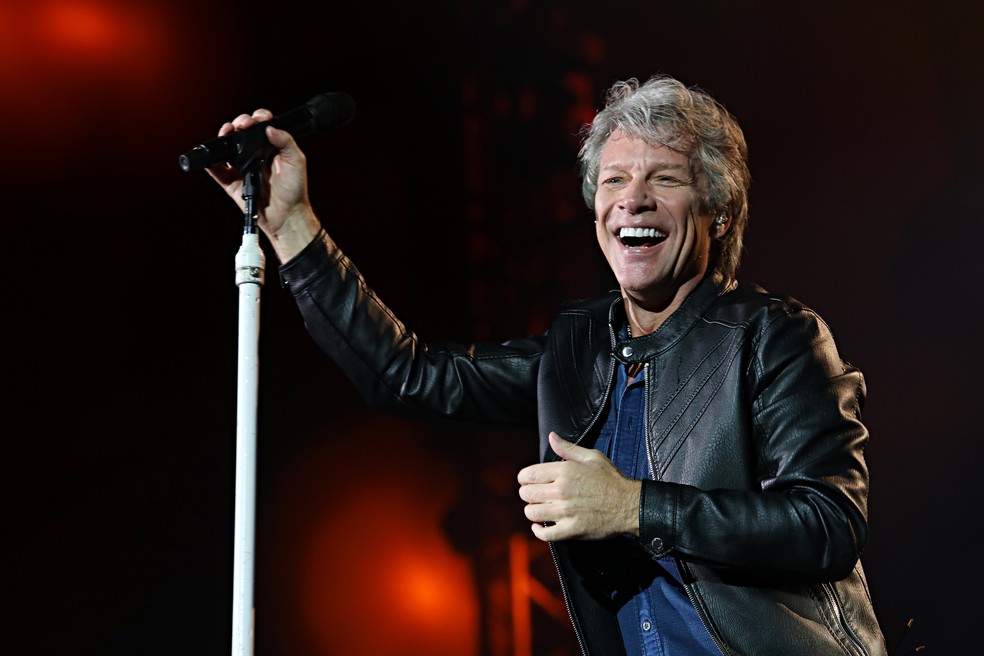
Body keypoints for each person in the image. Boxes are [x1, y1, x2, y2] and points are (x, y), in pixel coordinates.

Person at [207, 74, 888, 655]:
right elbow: (407, 374)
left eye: (665, 179)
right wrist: (289, 224)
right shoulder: (578, 349)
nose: (633, 198)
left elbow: (826, 524)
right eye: (615, 179)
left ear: (718, 208)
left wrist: (633, 506)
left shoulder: (775, 337)